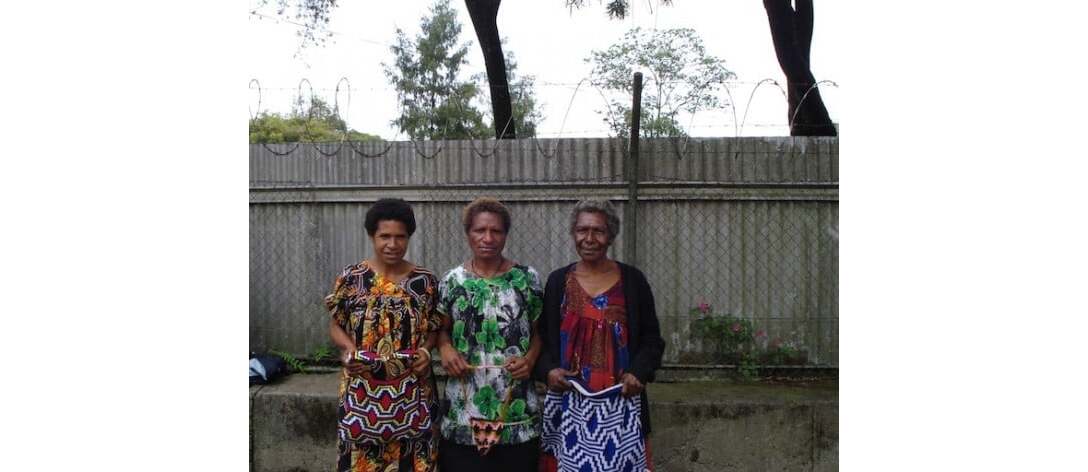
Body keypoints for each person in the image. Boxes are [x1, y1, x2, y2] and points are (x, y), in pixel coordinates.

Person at [534, 199, 666, 472]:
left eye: (598, 231)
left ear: (611, 236)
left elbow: (652, 339)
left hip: (621, 404)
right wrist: (548, 371)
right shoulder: (558, 281)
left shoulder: (632, 281)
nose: (589, 239)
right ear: (573, 234)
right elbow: (543, 337)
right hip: (568, 404)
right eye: (582, 230)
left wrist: (638, 372)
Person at [324, 198, 441, 472]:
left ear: (409, 237)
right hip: (362, 395)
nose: (392, 244)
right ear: (371, 236)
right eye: (384, 236)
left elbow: (435, 327)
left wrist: (426, 351)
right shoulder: (352, 279)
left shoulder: (424, 282)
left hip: (413, 394)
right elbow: (336, 325)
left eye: (400, 237)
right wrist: (349, 350)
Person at [435, 198, 545, 472]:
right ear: (467, 233)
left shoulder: (526, 279)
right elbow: (440, 329)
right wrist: (445, 348)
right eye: (479, 230)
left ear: (506, 234)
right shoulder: (452, 281)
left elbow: (540, 332)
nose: (488, 238)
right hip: (463, 411)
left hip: (516, 410)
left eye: (496, 231)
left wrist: (530, 360)